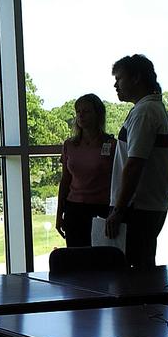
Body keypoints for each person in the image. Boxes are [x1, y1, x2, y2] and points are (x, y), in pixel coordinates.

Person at [105, 54, 168, 269]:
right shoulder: (152, 109)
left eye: (119, 78)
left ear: (136, 78)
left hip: (138, 208)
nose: (116, 85)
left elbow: (134, 164)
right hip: (147, 207)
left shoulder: (144, 112)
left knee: (133, 274)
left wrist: (119, 209)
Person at [56, 93, 114, 248]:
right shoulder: (69, 145)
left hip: (101, 210)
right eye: (78, 111)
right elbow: (65, 180)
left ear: (98, 115)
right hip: (74, 210)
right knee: (77, 261)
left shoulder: (111, 144)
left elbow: (119, 182)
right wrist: (59, 214)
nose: (81, 115)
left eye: (86, 111)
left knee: (101, 261)